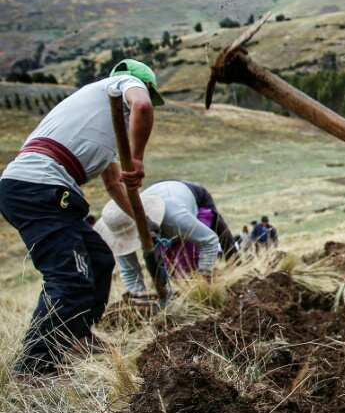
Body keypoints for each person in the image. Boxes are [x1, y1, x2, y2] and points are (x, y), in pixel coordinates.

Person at [0, 59, 162, 376]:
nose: (145, 101)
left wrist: (146, 226)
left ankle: (76, 335)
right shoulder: (119, 86)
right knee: (69, 280)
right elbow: (142, 104)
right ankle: (34, 369)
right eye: (149, 93)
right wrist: (139, 157)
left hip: (43, 188)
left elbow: (114, 183)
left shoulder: (101, 125)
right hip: (39, 187)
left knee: (100, 259)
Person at [95, 180, 237, 295]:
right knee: (166, 266)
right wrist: (139, 296)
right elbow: (130, 272)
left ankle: (237, 265)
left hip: (188, 195)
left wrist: (204, 276)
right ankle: (167, 293)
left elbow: (209, 240)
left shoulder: (175, 217)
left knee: (207, 236)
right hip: (158, 203)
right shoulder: (118, 223)